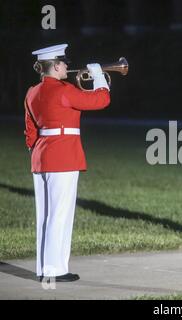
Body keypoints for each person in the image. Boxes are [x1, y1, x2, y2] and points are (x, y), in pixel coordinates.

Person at [24, 44, 111, 281]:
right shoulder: (64, 90)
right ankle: (54, 271)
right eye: (63, 63)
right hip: (63, 157)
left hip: (41, 156)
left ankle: (46, 269)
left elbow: (30, 132)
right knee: (60, 215)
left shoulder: (32, 92)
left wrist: (40, 151)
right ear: (54, 65)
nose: (67, 66)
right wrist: (99, 77)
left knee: (45, 215)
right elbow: (101, 100)